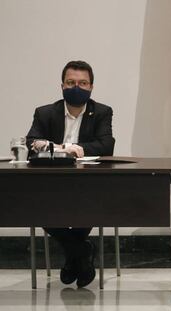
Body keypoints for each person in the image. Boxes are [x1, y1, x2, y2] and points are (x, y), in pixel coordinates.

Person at [26, 60, 115, 287]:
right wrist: (58, 148)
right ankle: (81, 252)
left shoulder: (102, 112)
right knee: (37, 205)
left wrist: (79, 149)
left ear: (91, 87)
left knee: (92, 203)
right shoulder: (45, 112)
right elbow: (30, 142)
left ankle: (73, 257)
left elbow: (106, 145)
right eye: (71, 82)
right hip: (51, 182)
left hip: (87, 181)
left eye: (83, 83)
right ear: (62, 86)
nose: (77, 87)